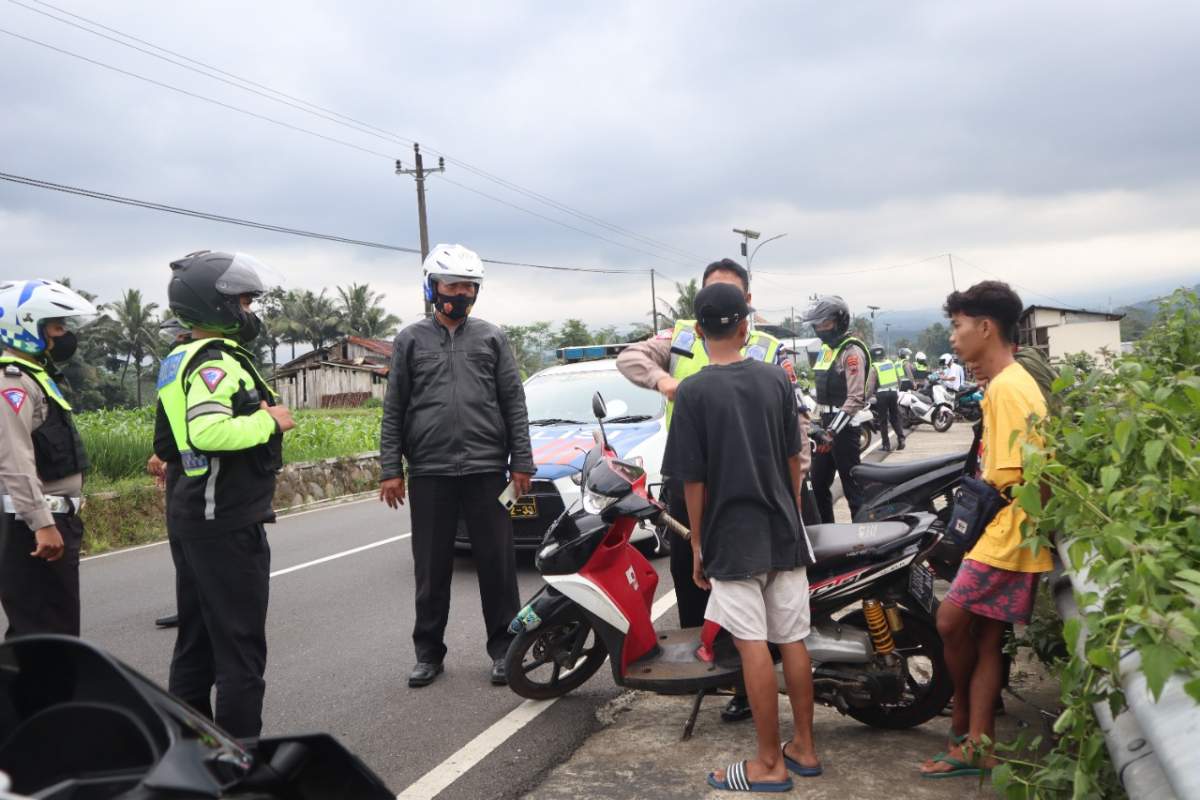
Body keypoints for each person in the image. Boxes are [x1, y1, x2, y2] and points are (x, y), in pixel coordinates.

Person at [616, 257, 809, 723]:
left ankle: (747, 692)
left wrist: (702, 537)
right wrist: (665, 381)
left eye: (728, 290)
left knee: (748, 622)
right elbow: (628, 357)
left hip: (726, 499)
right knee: (697, 591)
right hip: (709, 488)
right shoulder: (680, 337)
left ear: (746, 303)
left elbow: (795, 439)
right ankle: (714, 674)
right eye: (711, 289)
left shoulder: (770, 349)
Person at [661, 282, 820, 792]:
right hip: (782, 528)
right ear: (746, 327)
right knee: (793, 640)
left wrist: (697, 543)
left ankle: (769, 764)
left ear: (700, 332)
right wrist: (792, 507)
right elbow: (796, 457)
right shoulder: (776, 379)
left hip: (732, 535)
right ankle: (805, 749)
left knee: (752, 644)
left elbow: (693, 480)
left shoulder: (693, 392)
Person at [380, 243, 535, 689]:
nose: (461, 293)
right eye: (453, 284)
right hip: (430, 471)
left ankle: (506, 651)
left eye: (469, 286)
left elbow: (514, 403)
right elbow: (395, 411)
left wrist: (521, 461)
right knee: (431, 569)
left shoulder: (492, 338)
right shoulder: (410, 340)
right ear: (433, 287)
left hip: (488, 469)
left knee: (498, 568)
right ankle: (428, 654)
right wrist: (391, 468)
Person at [154, 251, 295, 739]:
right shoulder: (215, 363)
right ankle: (242, 765)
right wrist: (268, 420)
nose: (250, 310)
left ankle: (193, 750)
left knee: (195, 644)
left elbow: (169, 443)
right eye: (243, 300)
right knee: (240, 653)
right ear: (214, 305)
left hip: (193, 513)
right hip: (225, 520)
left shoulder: (179, 357)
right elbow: (208, 432)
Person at [921, 281, 1052, 779]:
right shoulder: (1010, 382)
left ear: (984, 327)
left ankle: (962, 722)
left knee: (951, 621)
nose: (954, 339)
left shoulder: (1008, 388)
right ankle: (977, 744)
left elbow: (1029, 476)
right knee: (986, 638)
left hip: (1010, 534)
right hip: (1010, 531)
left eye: (957, 327)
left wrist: (997, 529)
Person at [0, 280, 97, 638]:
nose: (66, 335)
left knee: (52, 629)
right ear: (27, 327)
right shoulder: (11, 383)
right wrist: (41, 522)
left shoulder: (34, 379)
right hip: (29, 526)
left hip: (51, 519)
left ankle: (42, 694)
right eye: (57, 326)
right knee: (44, 632)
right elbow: (15, 458)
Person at [802, 296, 870, 523]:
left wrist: (831, 432)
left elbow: (855, 397)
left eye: (825, 323)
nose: (820, 329)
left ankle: (862, 543)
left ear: (840, 321)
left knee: (853, 489)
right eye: (817, 325)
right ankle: (828, 535)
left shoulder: (851, 353)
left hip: (843, 429)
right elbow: (820, 391)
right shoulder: (826, 350)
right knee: (818, 484)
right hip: (824, 428)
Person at [148, 318, 192, 631]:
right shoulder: (174, 363)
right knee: (181, 541)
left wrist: (165, 452)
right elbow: (167, 413)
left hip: (194, 464)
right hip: (177, 462)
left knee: (191, 541)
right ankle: (189, 606)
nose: (176, 339)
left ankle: (197, 606)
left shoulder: (198, 362)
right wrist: (162, 453)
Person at [866, 345, 904, 452]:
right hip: (893, 393)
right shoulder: (891, 364)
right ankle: (901, 438)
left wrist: (866, 398)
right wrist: (896, 391)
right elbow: (899, 380)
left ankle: (886, 445)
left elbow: (871, 387)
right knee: (894, 418)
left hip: (882, 395)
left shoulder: (874, 367)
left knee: (883, 421)